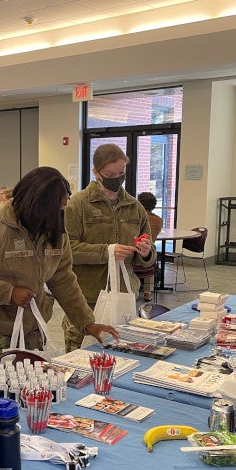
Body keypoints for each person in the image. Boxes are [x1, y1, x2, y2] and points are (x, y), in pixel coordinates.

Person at [0, 166, 119, 396]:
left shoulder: (55, 229)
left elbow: (63, 278)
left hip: (30, 328)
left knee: (30, 393)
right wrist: (8, 292)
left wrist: (87, 323)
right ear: (35, 204)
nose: (60, 213)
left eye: (63, 206)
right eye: (56, 208)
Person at [62, 144, 156, 352]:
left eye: (121, 173)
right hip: (86, 299)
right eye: (110, 174)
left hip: (124, 296)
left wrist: (145, 252)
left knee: (122, 356)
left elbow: (150, 253)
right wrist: (107, 252)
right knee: (79, 358)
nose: (117, 179)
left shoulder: (134, 207)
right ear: (96, 172)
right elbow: (68, 249)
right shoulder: (78, 204)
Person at [137, 191, 164, 301]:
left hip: (133, 255)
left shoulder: (136, 217)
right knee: (150, 256)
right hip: (148, 257)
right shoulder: (158, 220)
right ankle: (148, 293)